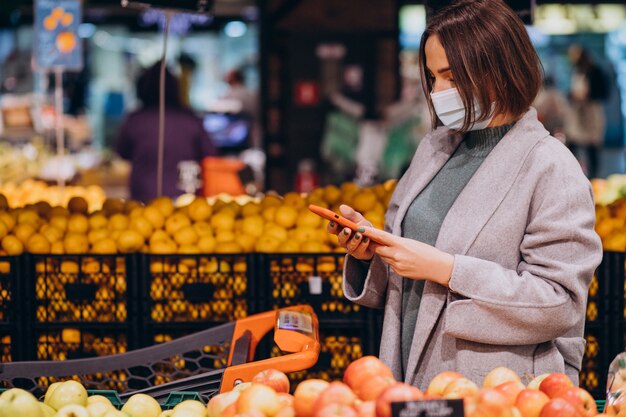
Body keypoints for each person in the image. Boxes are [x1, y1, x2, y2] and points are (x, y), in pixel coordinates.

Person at [327, 0, 602, 390]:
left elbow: (559, 302)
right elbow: (408, 251)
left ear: (502, 71)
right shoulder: (436, 147)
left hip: (495, 388)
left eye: (452, 78)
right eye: (433, 77)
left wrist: (448, 268)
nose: (438, 91)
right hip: (409, 371)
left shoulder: (551, 167)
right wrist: (371, 250)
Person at [116, 62, 217, 203]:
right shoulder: (189, 118)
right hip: (186, 197)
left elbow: (122, 152)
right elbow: (209, 151)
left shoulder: (135, 119)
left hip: (144, 197)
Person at [565, 45, 609, 179]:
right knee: (573, 143)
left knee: (592, 146)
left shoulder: (595, 71)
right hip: (577, 113)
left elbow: (604, 92)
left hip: (591, 112)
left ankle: (594, 177)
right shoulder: (576, 70)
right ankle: (574, 173)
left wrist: (588, 96)